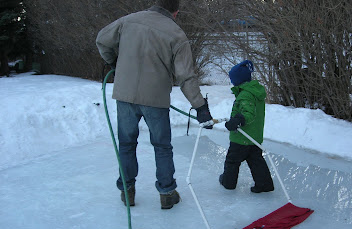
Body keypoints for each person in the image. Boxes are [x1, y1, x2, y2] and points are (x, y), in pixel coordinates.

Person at [96, 0, 213, 209]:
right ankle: (167, 193)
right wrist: (200, 107)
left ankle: (127, 191)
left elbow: (102, 40)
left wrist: (114, 63)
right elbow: (185, 77)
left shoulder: (127, 21)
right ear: (175, 12)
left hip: (125, 95)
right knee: (162, 146)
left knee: (126, 144)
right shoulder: (176, 34)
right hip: (155, 99)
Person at [219, 60, 274, 193]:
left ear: (237, 80)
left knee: (232, 161)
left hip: (241, 137)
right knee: (256, 161)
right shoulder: (255, 91)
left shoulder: (245, 94)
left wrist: (237, 120)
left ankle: (228, 182)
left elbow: (248, 113)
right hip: (254, 137)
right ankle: (264, 184)